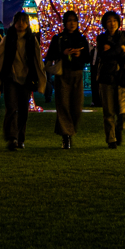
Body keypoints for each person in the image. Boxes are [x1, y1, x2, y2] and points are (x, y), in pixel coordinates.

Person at [0, 11, 46, 151]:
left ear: (27, 24)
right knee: (11, 108)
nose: (20, 24)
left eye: (23, 21)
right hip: (11, 78)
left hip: (26, 78)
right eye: (18, 21)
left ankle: (20, 137)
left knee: (23, 111)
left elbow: (38, 62)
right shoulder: (7, 40)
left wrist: (41, 81)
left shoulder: (32, 40)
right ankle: (12, 137)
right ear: (14, 23)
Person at [44, 10, 90, 149]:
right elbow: (50, 56)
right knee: (63, 105)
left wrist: (79, 54)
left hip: (77, 73)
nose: (72, 23)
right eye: (69, 20)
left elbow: (88, 57)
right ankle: (66, 136)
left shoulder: (81, 38)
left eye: (74, 20)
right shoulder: (58, 38)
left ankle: (67, 130)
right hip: (62, 74)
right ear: (64, 22)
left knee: (76, 107)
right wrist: (63, 53)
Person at [96, 11, 125, 149]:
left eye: (114, 20)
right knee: (108, 110)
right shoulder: (101, 38)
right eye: (108, 21)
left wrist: (113, 50)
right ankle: (111, 139)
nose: (112, 23)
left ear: (118, 22)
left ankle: (119, 128)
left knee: (124, 111)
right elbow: (103, 56)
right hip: (106, 77)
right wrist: (120, 49)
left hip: (123, 77)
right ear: (105, 23)